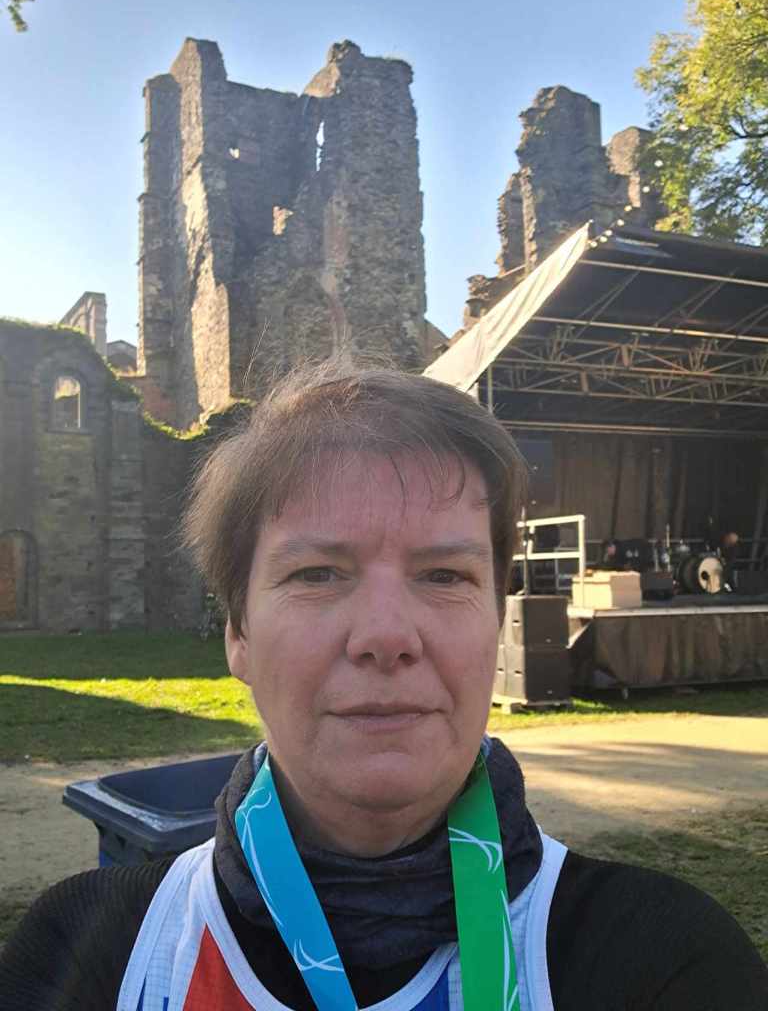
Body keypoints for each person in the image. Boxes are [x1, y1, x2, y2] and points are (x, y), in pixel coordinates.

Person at [1, 361, 766, 1011]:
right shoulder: (85, 957)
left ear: (497, 619)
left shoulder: (664, 963)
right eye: (317, 574)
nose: (387, 635)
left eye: (444, 575)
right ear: (238, 633)